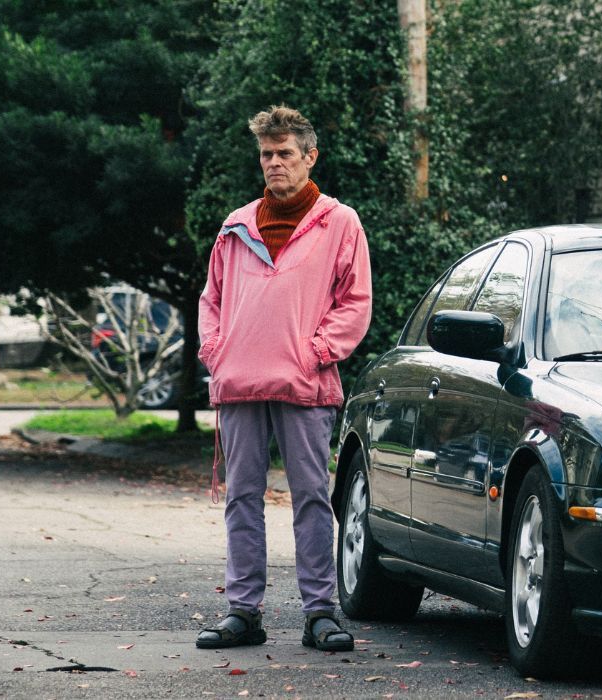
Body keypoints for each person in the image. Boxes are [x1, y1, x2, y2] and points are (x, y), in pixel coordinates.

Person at [195, 106, 372, 651]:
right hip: (239, 383)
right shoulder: (236, 225)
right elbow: (212, 301)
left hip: (305, 383)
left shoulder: (340, 222)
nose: (274, 163)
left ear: (309, 157)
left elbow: (355, 303)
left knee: (312, 498)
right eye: (266, 155)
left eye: (284, 154)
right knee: (241, 498)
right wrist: (217, 353)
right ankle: (243, 613)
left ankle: (321, 613)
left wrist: (315, 353)